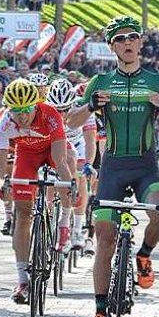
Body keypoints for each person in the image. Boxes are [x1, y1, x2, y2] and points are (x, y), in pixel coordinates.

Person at [66, 16, 159, 317]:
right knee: (105, 238)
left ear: (141, 42)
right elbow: (73, 120)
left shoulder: (157, 81)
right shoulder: (100, 82)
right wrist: (90, 105)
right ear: (112, 46)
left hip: (146, 167)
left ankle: (144, 255)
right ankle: (100, 312)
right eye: (120, 39)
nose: (128, 42)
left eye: (133, 37)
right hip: (113, 168)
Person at [0, 78, 74, 304]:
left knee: (66, 176)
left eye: (27, 110)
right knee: (22, 216)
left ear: (35, 105)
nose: (22, 116)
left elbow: (60, 159)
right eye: (17, 111)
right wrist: (2, 185)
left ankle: (64, 222)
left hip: (51, 150)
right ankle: (22, 280)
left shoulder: (50, 115)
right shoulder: (5, 122)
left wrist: (69, 185)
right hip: (26, 155)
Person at [46, 78, 98, 254]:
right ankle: (51, 215)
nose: (60, 114)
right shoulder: (43, 109)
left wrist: (89, 164)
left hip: (77, 144)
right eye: (56, 110)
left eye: (65, 110)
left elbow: (91, 141)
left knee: (80, 176)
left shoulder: (82, 110)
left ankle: (76, 229)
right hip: (54, 143)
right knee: (49, 176)